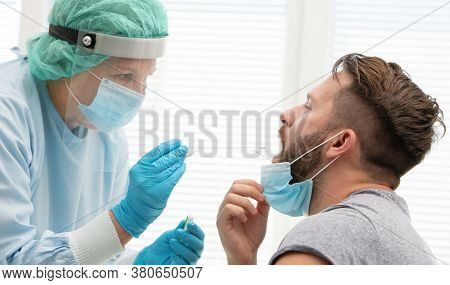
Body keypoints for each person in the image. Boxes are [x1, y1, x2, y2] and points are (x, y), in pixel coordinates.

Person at [0, 0, 204, 265]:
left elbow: (90, 259)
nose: (138, 94)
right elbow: (12, 266)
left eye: (146, 78)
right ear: (74, 57)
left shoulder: (107, 135)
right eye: (125, 76)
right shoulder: (8, 115)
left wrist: (138, 266)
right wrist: (125, 220)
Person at [217, 53, 446, 265]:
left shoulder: (328, 236)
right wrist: (243, 262)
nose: (286, 116)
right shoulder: (397, 236)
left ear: (338, 143)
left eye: (308, 107)